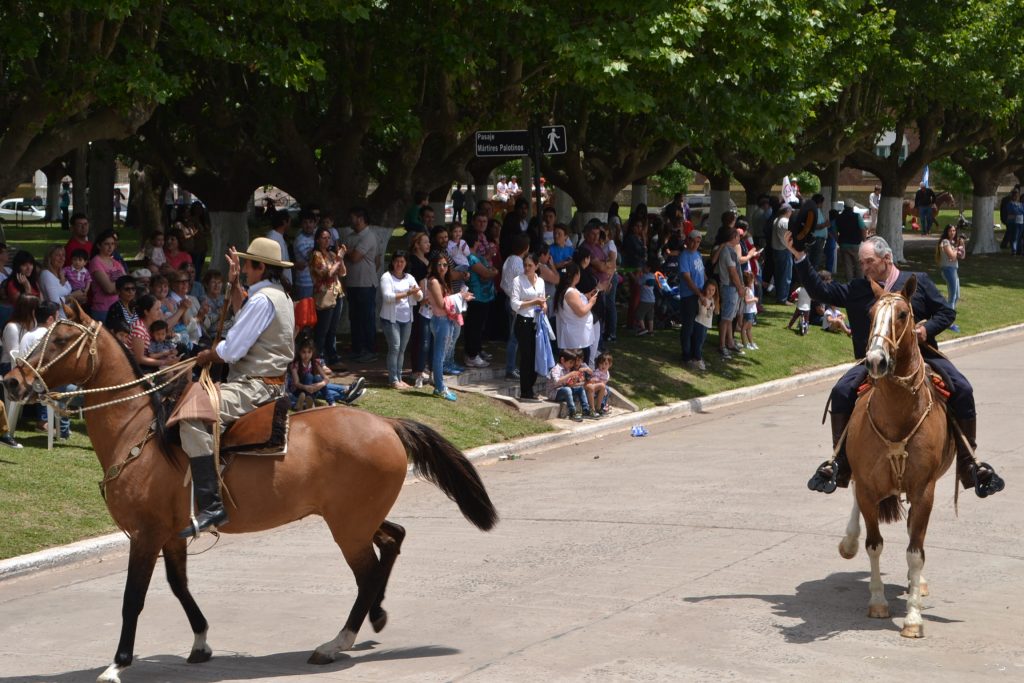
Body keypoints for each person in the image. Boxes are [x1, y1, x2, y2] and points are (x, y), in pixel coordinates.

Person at [786, 233, 1004, 499]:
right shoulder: (858, 289)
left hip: (920, 357)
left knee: (962, 389)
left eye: (868, 262)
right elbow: (821, 290)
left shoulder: (917, 282)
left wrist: (926, 330)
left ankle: (969, 463)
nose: (863, 267)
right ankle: (839, 463)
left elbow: (946, 312)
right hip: (875, 361)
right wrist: (799, 257)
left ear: (886, 259)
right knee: (842, 391)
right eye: (861, 262)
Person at [178, 237, 296, 537]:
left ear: (260, 266)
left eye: (246, 263)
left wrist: (207, 354)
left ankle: (210, 503)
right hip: (268, 382)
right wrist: (233, 285)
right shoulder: (278, 294)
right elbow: (247, 317)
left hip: (254, 386)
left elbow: (231, 351)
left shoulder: (261, 299)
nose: (243, 267)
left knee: (191, 414)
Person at [379, 250, 422, 388]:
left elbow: (419, 296)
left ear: (406, 263)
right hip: (391, 319)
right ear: (392, 262)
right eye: (397, 261)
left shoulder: (409, 277)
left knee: (402, 349)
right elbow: (387, 297)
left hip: (406, 318)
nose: (399, 264)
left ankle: (399, 376)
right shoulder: (386, 277)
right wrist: (407, 293)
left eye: (402, 261)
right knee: (395, 347)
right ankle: (393, 379)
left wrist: (416, 293)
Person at [343, 207, 380, 363]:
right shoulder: (351, 236)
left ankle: (369, 350)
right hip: (352, 284)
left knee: (366, 318)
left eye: (352, 217)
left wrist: (346, 251)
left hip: (365, 285)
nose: (350, 220)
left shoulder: (369, 236)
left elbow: (355, 257)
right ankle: (357, 349)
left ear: (360, 218)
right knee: (355, 318)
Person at [288, 334, 365, 408]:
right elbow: (296, 383)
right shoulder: (295, 365)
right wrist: (307, 387)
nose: (306, 355)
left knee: (318, 379)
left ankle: (338, 399)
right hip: (301, 390)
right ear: (299, 352)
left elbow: (326, 379)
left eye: (309, 352)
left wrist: (319, 385)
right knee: (309, 376)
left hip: (314, 389)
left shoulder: (315, 363)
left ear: (312, 352)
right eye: (303, 352)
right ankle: (346, 393)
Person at [510, 252, 547, 400]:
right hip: (523, 321)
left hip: (537, 321)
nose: (527, 268)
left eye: (530, 265)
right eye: (525, 265)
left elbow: (543, 300)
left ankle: (530, 386)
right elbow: (514, 304)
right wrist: (534, 302)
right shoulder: (518, 280)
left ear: (536, 266)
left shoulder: (541, 281)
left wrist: (543, 306)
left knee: (537, 355)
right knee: (527, 356)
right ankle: (526, 390)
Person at [424, 256, 462, 401]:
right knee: (439, 356)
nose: (442, 267)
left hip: (447, 320)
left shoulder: (443, 281)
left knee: (443, 355)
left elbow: (448, 301)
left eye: (445, 265)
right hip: (440, 320)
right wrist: (460, 296)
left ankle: (439, 385)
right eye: (439, 264)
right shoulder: (433, 281)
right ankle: (439, 387)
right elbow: (441, 304)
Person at [310, 226, 346, 368]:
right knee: (322, 329)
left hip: (337, 293)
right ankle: (319, 359)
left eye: (328, 238)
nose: (326, 241)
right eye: (323, 238)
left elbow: (342, 272)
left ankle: (333, 357)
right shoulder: (316, 255)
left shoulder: (331, 254)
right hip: (324, 295)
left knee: (332, 329)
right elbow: (327, 273)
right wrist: (338, 259)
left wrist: (339, 258)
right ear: (318, 240)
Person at [463, 230, 497, 368]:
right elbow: (486, 273)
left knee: (478, 326)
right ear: (475, 242)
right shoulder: (471, 258)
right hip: (477, 296)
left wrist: (490, 271)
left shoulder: (475, 256)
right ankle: (471, 355)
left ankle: (475, 351)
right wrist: (493, 272)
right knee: (474, 326)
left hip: (483, 296)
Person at [554, 263, 596, 356]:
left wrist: (585, 297)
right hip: (576, 339)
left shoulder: (568, 290)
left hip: (577, 336)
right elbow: (581, 312)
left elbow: (574, 304)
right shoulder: (571, 292)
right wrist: (591, 302)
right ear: (576, 275)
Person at [87, 230, 126, 322]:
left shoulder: (116, 263)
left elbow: (127, 283)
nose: (110, 247)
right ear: (99, 245)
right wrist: (122, 286)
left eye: (112, 244)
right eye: (106, 244)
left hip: (118, 307)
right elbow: (109, 289)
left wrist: (117, 285)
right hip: (103, 310)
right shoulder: (96, 262)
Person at [548, 348, 589, 422]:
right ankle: (572, 412)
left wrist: (574, 380)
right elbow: (556, 382)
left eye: (573, 363)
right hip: (554, 393)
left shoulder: (567, 369)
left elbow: (569, 386)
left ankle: (586, 410)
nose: (572, 365)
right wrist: (569, 375)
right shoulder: (556, 369)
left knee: (580, 389)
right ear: (562, 360)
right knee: (567, 390)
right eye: (570, 363)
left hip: (565, 390)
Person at [937, 223, 966, 314]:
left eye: (954, 230)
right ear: (947, 232)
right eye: (950, 231)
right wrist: (957, 248)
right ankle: (949, 318)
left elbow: (962, 257)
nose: (952, 233)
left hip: (954, 269)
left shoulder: (952, 243)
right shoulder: (945, 242)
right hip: (948, 269)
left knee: (957, 295)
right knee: (952, 296)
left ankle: (949, 315)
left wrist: (962, 245)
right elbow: (952, 256)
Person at [771, 204, 794, 304]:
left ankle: (780, 296)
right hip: (784, 250)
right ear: (787, 211)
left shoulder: (777, 219)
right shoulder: (784, 221)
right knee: (785, 275)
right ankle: (783, 298)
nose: (791, 213)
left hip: (777, 249)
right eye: (790, 211)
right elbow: (785, 238)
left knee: (779, 274)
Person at [586, 352, 612, 416]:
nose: (603, 366)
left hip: (601, 388)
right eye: (601, 364)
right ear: (598, 364)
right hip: (595, 388)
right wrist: (604, 387)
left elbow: (604, 382)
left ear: (610, 365)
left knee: (608, 389)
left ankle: (602, 406)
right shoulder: (597, 372)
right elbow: (595, 381)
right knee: (607, 389)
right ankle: (600, 407)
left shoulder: (607, 373)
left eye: (606, 364)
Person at [635, 263, 656, 336]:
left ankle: (643, 329)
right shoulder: (653, 276)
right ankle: (651, 331)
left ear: (649, 268)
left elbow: (637, 281)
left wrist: (635, 273)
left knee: (638, 314)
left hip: (645, 300)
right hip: (652, 299)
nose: (643, 268)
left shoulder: (644, 277)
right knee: (650, 316)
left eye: (645, 267)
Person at [740, 271, 758, 350]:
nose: (753, 281)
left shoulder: (749, 289)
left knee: (749, 329)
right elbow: (746, 301)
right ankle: (745, 343)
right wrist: (754, 299)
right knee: (744, 328)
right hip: (748, 311)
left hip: (751, 311)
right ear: (749, 280)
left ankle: (751, 342)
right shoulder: (746, 289)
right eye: (752, 279)